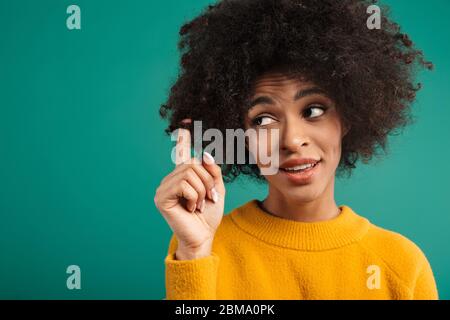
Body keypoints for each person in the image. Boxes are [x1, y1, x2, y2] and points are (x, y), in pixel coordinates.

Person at [154, 0, 438, 299]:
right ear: (240, 135)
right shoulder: (202, 244)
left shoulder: (400, 265)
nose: (291, 140)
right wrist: (195, 251)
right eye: (263, 119)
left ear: (348, 118)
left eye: (313, 110)